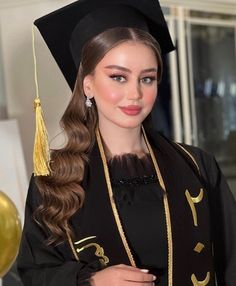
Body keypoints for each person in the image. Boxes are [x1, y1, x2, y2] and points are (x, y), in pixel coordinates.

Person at [17, 0, 236, 285]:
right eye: (118, 77)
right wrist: (91, 281)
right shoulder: (54, 180)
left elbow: (231, 262)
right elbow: (35, 273)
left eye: (147, 79)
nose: (134, 93)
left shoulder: (197, 165)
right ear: (88, 84)